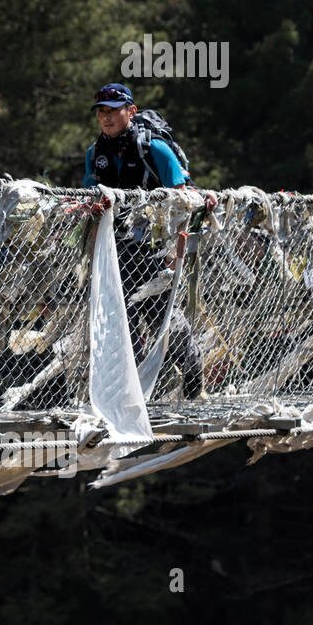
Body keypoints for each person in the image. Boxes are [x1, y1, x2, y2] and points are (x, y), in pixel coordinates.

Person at [84, 83, 205, 398]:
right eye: (101, 112)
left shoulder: (155, 149)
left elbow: (182, 203)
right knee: (119, 322)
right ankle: (133, 393)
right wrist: (92, 256)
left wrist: (176, 251)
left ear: (131, 111)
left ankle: (192, 367)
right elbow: (91, 206)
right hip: (115, 249)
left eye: (113, 111)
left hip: (154, 249)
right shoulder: (95, 154)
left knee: (163, 319)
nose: (106, 118)